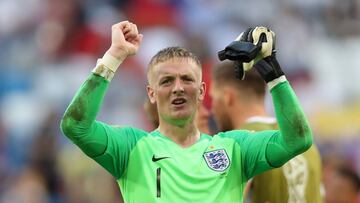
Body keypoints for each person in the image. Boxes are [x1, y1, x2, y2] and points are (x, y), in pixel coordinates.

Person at [60, 21, 313, 202]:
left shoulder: (234, 148)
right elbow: (75, 125)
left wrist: (272, 73)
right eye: (167, 81)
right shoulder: (131, 148)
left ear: (202, 91)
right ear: (151, 93)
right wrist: (113, 56)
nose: (178, 88)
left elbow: (297, 140)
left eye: (187, 80)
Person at [210, 62, 323, 203]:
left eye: (213, 98)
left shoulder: (238, 146)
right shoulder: (309, 147)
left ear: (227, 97)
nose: (212, 109)